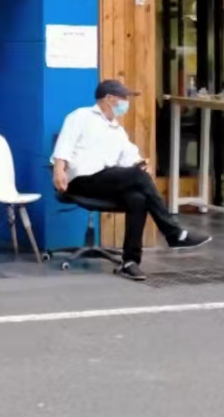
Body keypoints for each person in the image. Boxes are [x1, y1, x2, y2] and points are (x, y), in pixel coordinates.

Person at [52, 79, 210, 281]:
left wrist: (141, 165)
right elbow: (64, 144)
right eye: (123, 98)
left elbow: (130, 156)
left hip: (107, 181)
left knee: (138, 198)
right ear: (110, 99)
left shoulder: (117, 130)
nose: (126, 103)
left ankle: (130, 261)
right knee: (137, 177)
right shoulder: (81, 116)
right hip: (80, 180)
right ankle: (174, 233)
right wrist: (58, 169)